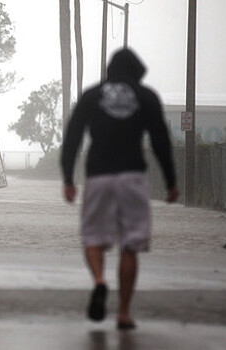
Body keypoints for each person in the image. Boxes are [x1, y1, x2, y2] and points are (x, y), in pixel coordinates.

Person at [60, 48, 179, 330]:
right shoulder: (146, 96)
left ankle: (100, 282)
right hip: (132, 176)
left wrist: (67, 178)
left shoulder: (92, 95)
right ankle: (124, 313)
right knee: (130, 244)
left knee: (92, 237)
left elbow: (73, 136)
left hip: (98, 175)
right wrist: (171, 181)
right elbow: (161, 139)